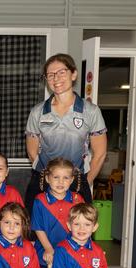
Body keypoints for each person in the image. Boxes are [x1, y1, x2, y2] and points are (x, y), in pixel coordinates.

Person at [25, 53, 108, 210]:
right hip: (43, 183)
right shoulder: (38, 111)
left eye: (61, 72)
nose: (56, 79)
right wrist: (48, 178)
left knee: (79, 232)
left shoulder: (90, 111)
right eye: (50, 75)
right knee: (36, 232)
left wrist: (84, 182)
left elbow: (100, 153)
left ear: (74, 74)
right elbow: (32, 152)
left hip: (75, 183)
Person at [31, 157, 85, 268]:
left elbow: (83, 226)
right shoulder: (40, 200)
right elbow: (38, 228)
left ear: (72, 179)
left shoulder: (77, 199)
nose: (61, 182)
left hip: (70, 253)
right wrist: (48, 249)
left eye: (66, 178)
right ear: (48, 178)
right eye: (56, 177)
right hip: (45, 250)